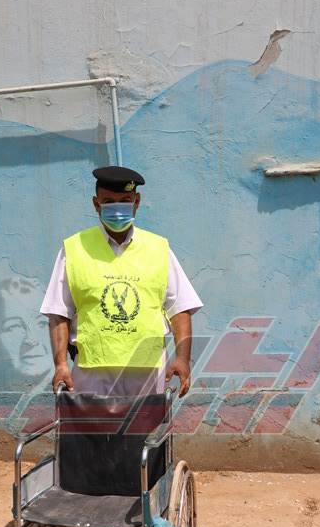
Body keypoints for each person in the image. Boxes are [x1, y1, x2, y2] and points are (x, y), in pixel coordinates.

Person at [40, 165, 203, 399]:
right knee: (90, 424)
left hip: (147, 372)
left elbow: (180, 309)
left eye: (125, 201)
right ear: (96, 204)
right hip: (91, 372)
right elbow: (58, 313)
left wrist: (182, 359)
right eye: (108, 202)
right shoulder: (74, 249)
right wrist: (61, 365)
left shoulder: (158, 249)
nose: (117, 209)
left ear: (137, 201)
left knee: (146, 424)